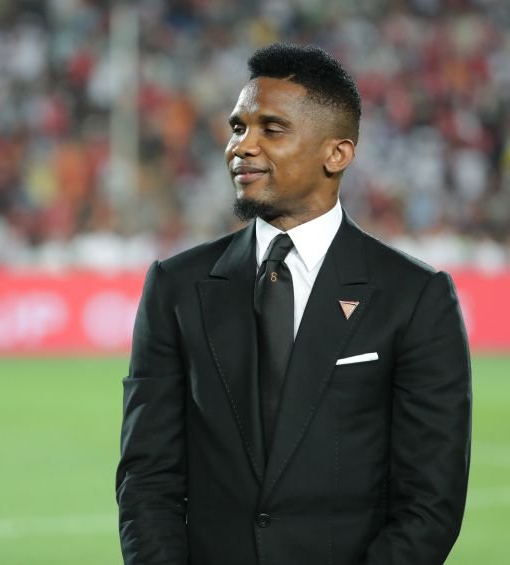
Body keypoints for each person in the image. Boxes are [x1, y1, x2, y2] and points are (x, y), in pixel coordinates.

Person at [116, 43, 471, 565]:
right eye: (238, 127)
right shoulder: (175, 286)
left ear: (337, 154)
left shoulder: (415, 295)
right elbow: (147, 478)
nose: (242, 146)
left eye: (272, 129)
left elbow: (430, 502)